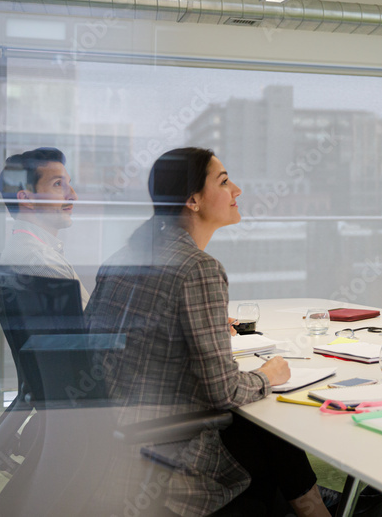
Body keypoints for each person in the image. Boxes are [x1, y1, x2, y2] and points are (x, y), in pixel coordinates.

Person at [86, 148, 333, 517]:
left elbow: (123, 340)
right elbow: (224, 391)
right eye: (223, 181)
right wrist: (269, 374)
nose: (237, 189)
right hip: (164, 453)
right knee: (268, 423)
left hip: (111, 440)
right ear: (192, 200)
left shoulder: (123, 257)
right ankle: (317, 505)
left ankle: (314, 503)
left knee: (264, 435)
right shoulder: (197, 268)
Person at [0, 147, 89, 307]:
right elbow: (92, 328)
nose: (73, 195)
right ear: (27, 199)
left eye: (69, 183)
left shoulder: (25, 249)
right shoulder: (41, 261)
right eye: (58, 184)